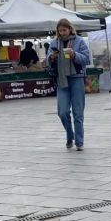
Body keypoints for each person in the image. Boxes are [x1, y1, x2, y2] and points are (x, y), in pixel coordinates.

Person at [48, 18, 91, 150]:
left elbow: (87, 59)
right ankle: (69, 134)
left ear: (70, 29)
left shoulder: (79, 41)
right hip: (61, 79)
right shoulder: (54, 42)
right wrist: (52, 57)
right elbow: (48, 60)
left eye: (64, 30)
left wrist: (74, 55)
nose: (62, 33)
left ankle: (79, 142)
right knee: (62, 112)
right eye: (60, 30)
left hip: (76, 78)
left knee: (78, 112)